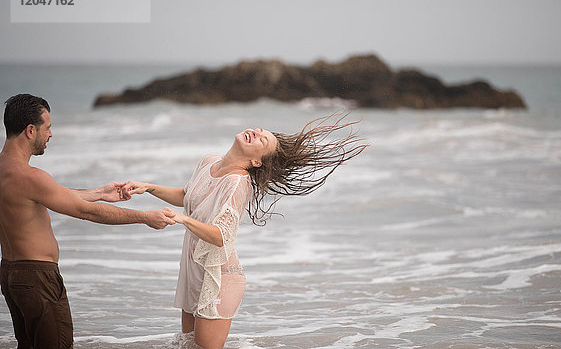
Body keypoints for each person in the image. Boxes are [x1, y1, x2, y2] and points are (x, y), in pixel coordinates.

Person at [123, 113, 367, 349]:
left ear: (257, 162)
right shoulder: (209, 161)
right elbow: (188, 195)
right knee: (187, 347)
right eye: (261, 131)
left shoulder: (238, 182)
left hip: (218, 277)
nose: (257, 132)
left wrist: (183, 220)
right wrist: (149, 187)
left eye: (263, 140)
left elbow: (221, 236)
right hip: (194, 271)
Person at [0, 94, 175, 349]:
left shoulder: (8, 172)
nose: (51, 134)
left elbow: (48, 196)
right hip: (38, 279)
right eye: (47, 128)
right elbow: (86, 212)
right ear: (30, 130)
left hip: (12, 275)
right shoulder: (32, 177)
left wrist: (100, 193)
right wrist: (145, 217)